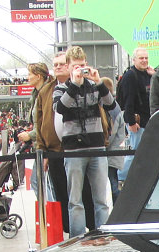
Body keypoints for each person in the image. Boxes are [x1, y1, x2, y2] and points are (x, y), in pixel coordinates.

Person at [54, 45, 120, 238]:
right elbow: (60, 109)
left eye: (83, 65)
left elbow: (111, 105)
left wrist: (99, 82)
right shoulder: (61, 88)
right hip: (74, 150)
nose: (80, 69)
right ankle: (76, 237)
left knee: (101, 198)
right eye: (76, 66)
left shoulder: (94, 86)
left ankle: (103, 234)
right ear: (68, 67)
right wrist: (74, 84)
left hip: (97, 147)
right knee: (75, 200)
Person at [34, 51, 71, 234]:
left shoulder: (78, 85)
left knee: (80, 194)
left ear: (69, 65)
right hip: (54, 151)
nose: (57, 67)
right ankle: (66, 229)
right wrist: (42, 150)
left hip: (78, 149)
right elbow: (39, 122)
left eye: (61, 64)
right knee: (61, 193)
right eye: (55, 64)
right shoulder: (45, 91)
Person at [117, 48, 154, 185]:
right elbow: (128, 101)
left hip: (148, 121)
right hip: (137, 123)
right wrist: (131, 122)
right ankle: (121, 178)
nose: (144, 60)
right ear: (134, 60)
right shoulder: (130, 76)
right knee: (135, 152)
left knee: (143, 153)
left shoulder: (149, 75)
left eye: (146, 58)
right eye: (141, 58)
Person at [17, 62, 51, 203]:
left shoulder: (44, 95)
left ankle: (49, 214)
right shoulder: (37, 95)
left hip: (46, 146)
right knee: (40, 183)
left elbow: (46, 125)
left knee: (40, 183)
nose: (28, 77)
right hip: (39, 144)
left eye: (30, 74)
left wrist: (30, 135)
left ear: (38, 76)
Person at [101, 76, 126, 203]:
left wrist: (103, 146)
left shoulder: (111, 109)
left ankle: (118, 209)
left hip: (111, 154)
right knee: (112, 183)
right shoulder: (115, 107)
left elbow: (111, 133)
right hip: (115, 153)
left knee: (112, 186)